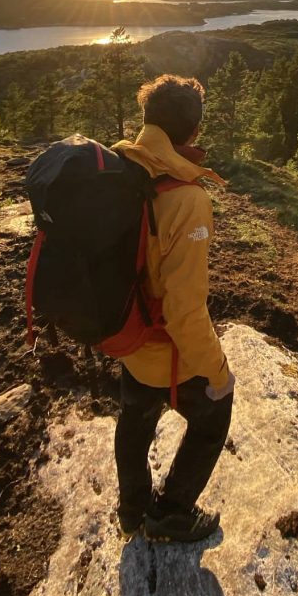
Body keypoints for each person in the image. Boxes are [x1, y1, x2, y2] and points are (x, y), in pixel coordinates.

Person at [112, 74, 235, 544]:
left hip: (129, 337)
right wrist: (218, 372)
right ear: (194, 134)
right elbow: (184, 311)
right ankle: (171, 513)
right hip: (169, 352)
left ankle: (131, 509)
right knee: (214, 415)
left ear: (146, 121)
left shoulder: (122, 167)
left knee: (135, 418)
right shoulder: (187, 198)